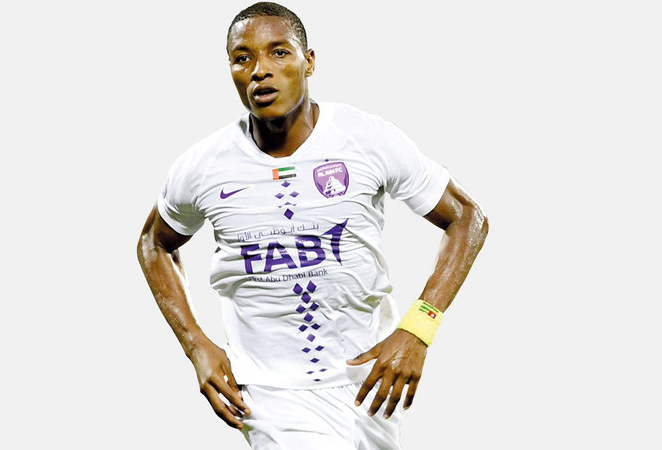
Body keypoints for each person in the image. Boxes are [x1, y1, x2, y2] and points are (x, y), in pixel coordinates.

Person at [137, 2, 488, 449]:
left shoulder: (364, 138)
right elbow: (154, 243)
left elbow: (467, 218)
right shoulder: (204, 166)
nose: (260, 70)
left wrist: (419, 328)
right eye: (242, 58)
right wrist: (195, 345)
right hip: (271, 392)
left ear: (309, 61)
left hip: (371, 383)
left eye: (278, 52)